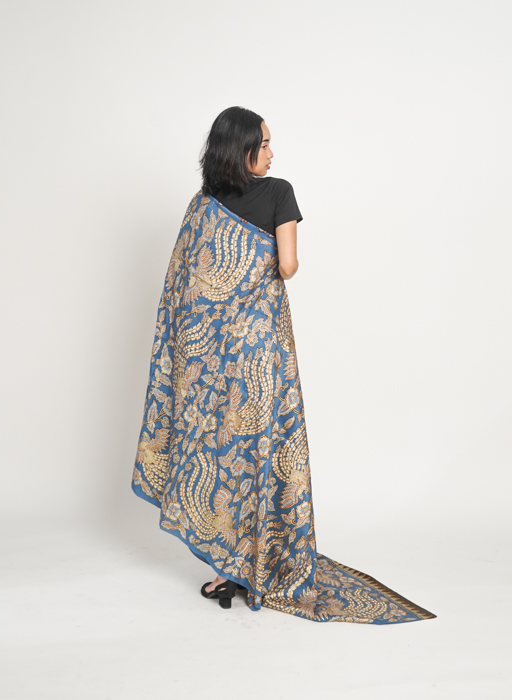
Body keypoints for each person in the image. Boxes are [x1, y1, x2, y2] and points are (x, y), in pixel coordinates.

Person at [132, 106, 436, 624]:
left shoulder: (203, 204)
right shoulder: (279, 193)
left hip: (210, 355)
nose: (273, 153)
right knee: (259, 447)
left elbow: (185, 283)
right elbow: (288, 266)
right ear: (243, 149)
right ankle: (261, 564)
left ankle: (228, 568)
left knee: (220, 449)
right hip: (259, 346)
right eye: (265, 144)